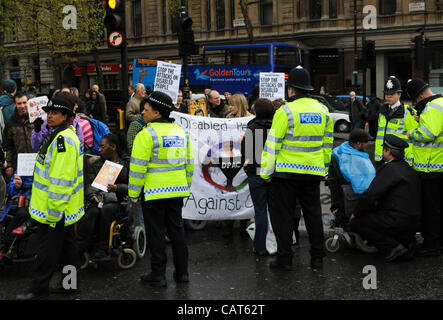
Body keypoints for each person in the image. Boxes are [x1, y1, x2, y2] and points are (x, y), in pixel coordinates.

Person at [260, 66, 334, 270]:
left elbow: (272, 144)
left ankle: (285, 259)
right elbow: (328, 144)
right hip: (312, 172)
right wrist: (324, 167)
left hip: (286, 173)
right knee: (313, 214)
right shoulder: (323, 111)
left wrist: (265, 172)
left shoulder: (285, 111)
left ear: (291, 89)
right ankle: (317, 257)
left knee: (283, 215)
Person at [16, 96, 84, 299]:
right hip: (63, 208)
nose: (50, 116)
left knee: (46, 251)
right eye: (49, 112)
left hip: (55, 209)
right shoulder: (59, 135)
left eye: (55, 113)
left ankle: (38, 290)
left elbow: (60, 181)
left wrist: (54, 213)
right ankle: (69, 285)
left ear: (66, 116)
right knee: (67, 249)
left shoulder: (63, 140)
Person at [129, 91, 194, 288]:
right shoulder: (182, 132)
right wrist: (185, 187)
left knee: (156, 233)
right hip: (177, 191)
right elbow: (189, 165)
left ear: (157, 113)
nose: (142, 113)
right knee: (177, 232)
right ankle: (182, 273)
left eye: (146, 110)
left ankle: (158, 275)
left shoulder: (146, 134)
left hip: (154, 193)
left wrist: (133, 194)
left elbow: (138, 167)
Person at [349, 134, 421, 262]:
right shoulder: (409, 169)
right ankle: (407, 244)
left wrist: (356, 212)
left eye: (384, 149)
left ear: (388, 151)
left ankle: (393, 248)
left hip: (397, 220)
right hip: (414, 221)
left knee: (357, 224)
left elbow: (371, 196)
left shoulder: (390, 169)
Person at [77, 134, 129, 261]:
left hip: (118, 201)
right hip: (98, 199)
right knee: (92, 212)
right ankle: (78, 248)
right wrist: (92, 195)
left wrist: (118, 188)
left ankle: (103, 247)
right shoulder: (97, 164)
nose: (98, 150)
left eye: (102, 147)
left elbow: (133, 186)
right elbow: (89, 184)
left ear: (113, 147)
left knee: (106, 210)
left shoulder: (126, 164)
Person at [406, 78, 443, 257]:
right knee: (438, 208)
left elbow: (428, 134)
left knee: (431, 210)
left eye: (415, 100)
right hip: (439, 165)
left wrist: (412, 132)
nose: (415, 104)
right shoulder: (441, 103)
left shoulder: (432, 107)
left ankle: (432, 245)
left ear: (420, 95)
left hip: (431, 168)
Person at [240, 98, 275, 255]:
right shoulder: (276, 128)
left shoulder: (252, 128)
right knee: (276, 211)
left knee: (260, 211)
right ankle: (280, 244)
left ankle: (260, 247)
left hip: (256, 175)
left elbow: (246, 155)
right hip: (275, 175)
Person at [375, 76, 417, 167]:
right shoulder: (382, 112)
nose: (388, 96)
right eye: (386, 94)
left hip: (401, 160)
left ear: (399, 94)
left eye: (392, 93)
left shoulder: (408, 113)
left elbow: (415, 137)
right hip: (381, 158)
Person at [332, 128, 376, 195]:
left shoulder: (341, 149)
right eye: (366, 142)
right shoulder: (356, 160)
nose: (367, 144)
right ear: (358, 143)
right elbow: (360, 188)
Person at [2, 92, 34, 181]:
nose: (22, 106)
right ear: (14, 104)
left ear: (28, 102)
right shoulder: (10, 123)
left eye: (24, 102)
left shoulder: (36, 120)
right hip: (20, 164)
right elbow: (8, 146)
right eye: (19, 103)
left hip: (37, 161)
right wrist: (9, 165)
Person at [0, 170, 33, 257]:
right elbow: (10, 189)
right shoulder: (24, 167)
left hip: (34, 206)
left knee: (23, 214)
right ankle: (5, 245)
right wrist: (15, 186)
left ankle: (6, 245)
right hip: (16, 204)